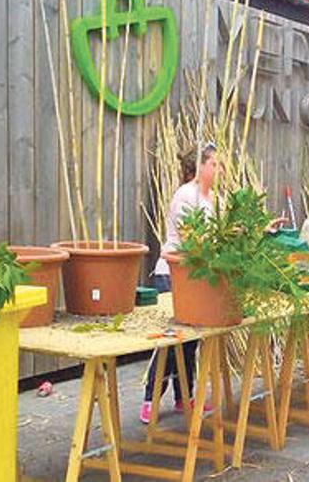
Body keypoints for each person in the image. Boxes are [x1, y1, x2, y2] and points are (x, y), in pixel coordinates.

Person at [140, 144, 219, 424]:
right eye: (213, 164)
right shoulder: (187, 195)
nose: (217, 169)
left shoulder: (209, 199)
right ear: (199, 167)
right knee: (171, 341)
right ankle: (150, 398)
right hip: (174, 273)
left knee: (188, 343)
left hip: (193, 275)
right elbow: (192, 239)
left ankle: (183, 397)